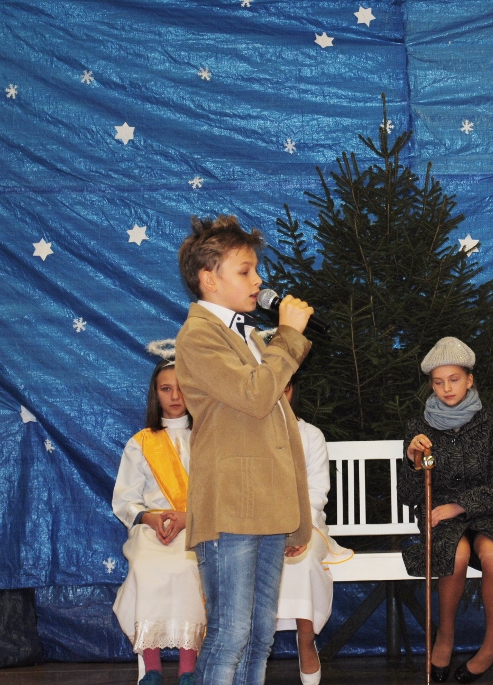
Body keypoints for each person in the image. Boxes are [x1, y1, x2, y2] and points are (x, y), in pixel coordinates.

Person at [174, 214, 316, 685]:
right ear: (208, 279)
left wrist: (295, 513)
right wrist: (289, 336)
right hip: (231, 506)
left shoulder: (249, 336)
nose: (258, 281)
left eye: (256, 270)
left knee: (258, 636)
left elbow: (279, 427)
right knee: (230, 633)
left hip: (266, 506)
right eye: (245, 271)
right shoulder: (199, 335)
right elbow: (256, 396)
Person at [400, 337, 493, 684]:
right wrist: (413, 463)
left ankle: (491, 642)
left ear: (469, 379)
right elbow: (409, 496)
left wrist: (460, 506)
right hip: (439, 515)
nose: (446, 388)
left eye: (454, 379)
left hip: (487, 513)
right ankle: (446, 635)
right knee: (456, 552)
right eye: (438, 382)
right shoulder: (418, 428)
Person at [112, 358, 205, 685]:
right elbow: (125, 499)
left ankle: (187, 668)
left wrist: (187, 518)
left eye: (182, 388)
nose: (175, 396)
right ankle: (152, 667)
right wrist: (151, 519)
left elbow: (218, 494)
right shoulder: (141, 443)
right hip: (152, 529)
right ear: (155, 393)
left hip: (195, 526)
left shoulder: (206, 438)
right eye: (166, 389)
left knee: (187, 568)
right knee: (145, 567)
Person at [275, 375, 352, 685]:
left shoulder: (310, 435)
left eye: (285, 386)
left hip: (306, 524)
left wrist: (297, 532)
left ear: (293, 390)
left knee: (303, 560)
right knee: (253, 561)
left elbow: (317, 492)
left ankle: (306, 641)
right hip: (262, 528)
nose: (278, 393)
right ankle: (254, 645)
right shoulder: (248, 436)